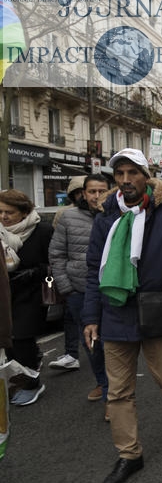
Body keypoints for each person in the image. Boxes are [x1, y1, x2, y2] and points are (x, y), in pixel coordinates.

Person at [82, 148, 162, 483]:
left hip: (156, 310)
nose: (125, 180)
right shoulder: (106, 217)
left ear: (146, 175)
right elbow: (95, 269)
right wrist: (90, 316)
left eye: (132, 173)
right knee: (119, 392)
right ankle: (129, 455)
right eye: (119, 174)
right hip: (114, 311)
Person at [48, 174, 111, 410]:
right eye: (92, 191)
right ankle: (104, 384)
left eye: (101, 191)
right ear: (83, 193)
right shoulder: (68, 218)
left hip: (111, 291)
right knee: (92, 344)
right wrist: (67, 288)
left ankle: (112, 393)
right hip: (80, 292)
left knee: (112, 345)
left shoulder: (116, 215)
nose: (96, 196)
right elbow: (56, 254)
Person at [0, 189, 52, 406]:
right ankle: (19, 377)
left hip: (31, 293)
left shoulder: (42, 231)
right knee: (8, 341)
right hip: (5, 294)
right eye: (0, 212)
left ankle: (33, 383)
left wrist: (33, 273)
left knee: (21, 338)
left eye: (8, 212)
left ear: (24, 212)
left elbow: (52, 263)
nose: (3, 217)